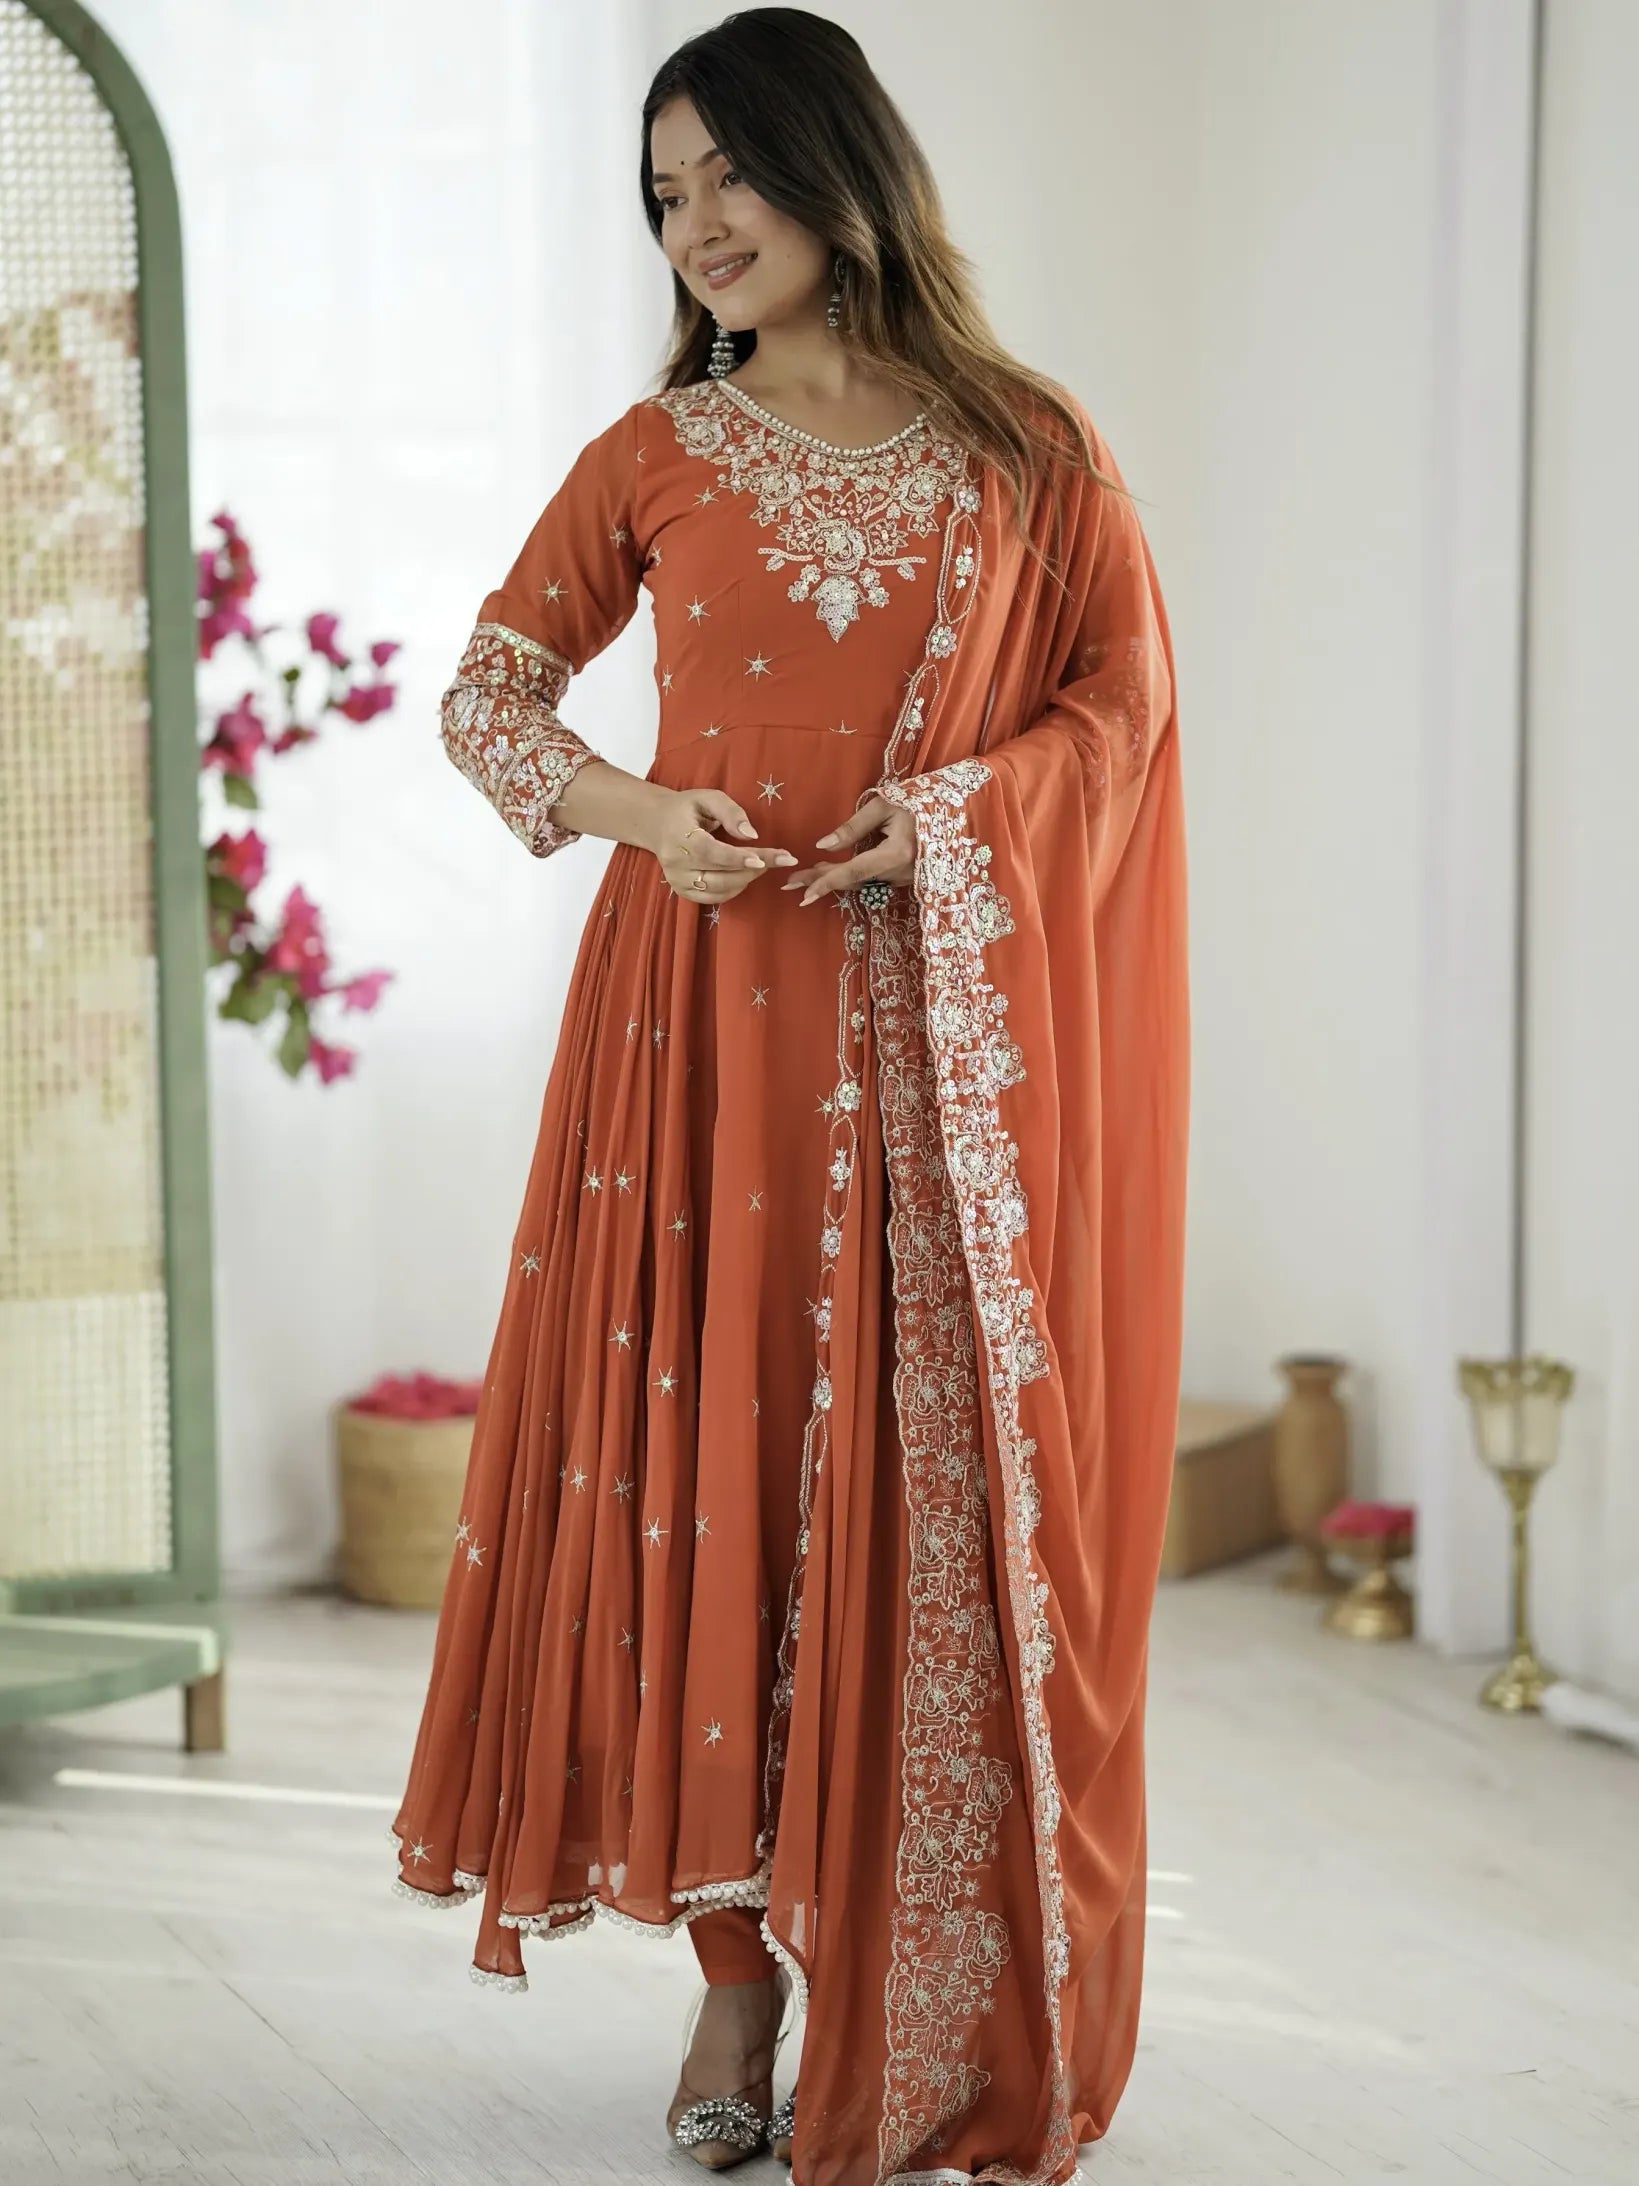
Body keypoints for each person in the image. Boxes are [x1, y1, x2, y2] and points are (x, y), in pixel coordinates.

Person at [391, 10, 1189, 2184]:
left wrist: (947, 821)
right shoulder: (656, 454)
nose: (698, 222)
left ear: (835, 162)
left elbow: (1121, 721)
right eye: (663, 194)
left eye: (725, 169)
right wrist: (645, 813)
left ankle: (915, 1984)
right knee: (706, 1470)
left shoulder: (1033, 451)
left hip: (943, 1070)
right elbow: (485, 695)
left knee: (917, 1504)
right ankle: (734, 1971)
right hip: (698, 1048)